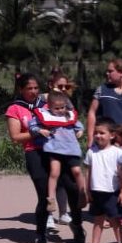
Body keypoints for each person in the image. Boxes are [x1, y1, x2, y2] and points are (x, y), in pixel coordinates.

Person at [6, 73, 85, 243]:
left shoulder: (47, 104)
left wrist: (71, 131)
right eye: (29, 89)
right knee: (44, 196)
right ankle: (40, 234)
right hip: (35, 152)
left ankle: (77, 225)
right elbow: (15, 136)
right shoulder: (15, 109)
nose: (34, 92)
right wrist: (39, 131)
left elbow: (68, 112)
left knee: (72, 189)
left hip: (58, 151)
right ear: (21, 89)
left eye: (36, 88)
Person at [29, 91, 86, 215]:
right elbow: (32, 125)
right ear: (49, 106)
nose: (60, 110)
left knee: (77, 171)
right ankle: (51, 199)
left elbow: (79, 125)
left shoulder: (69, 115)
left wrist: (80, 131)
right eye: (57, 108)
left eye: (63, 107)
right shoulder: (44, 115)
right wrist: (40, 130)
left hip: (71, 149)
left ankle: (82, 194)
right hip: (54, 148)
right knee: (54, 173)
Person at [82, 120, 122, 243]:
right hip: (96, 192)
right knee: (98, 220)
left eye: (102, 133)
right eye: (96, 133)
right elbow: (88, 173)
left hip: (112, 192)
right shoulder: (91, 152)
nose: (98, 135)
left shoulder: (117, 152)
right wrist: (87, 191)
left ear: (112, 135)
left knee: (115, 220)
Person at [44, 70, 78, 229]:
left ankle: (63, 213)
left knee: (64, 182)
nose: (64, 89)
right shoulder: (42, 100)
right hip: (46, 147)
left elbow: (72, 120)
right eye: (60, 86)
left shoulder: (67, 102)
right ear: (51, 85)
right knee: (50, 179)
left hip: (64, 147)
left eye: (66, 86)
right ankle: (49, 215)